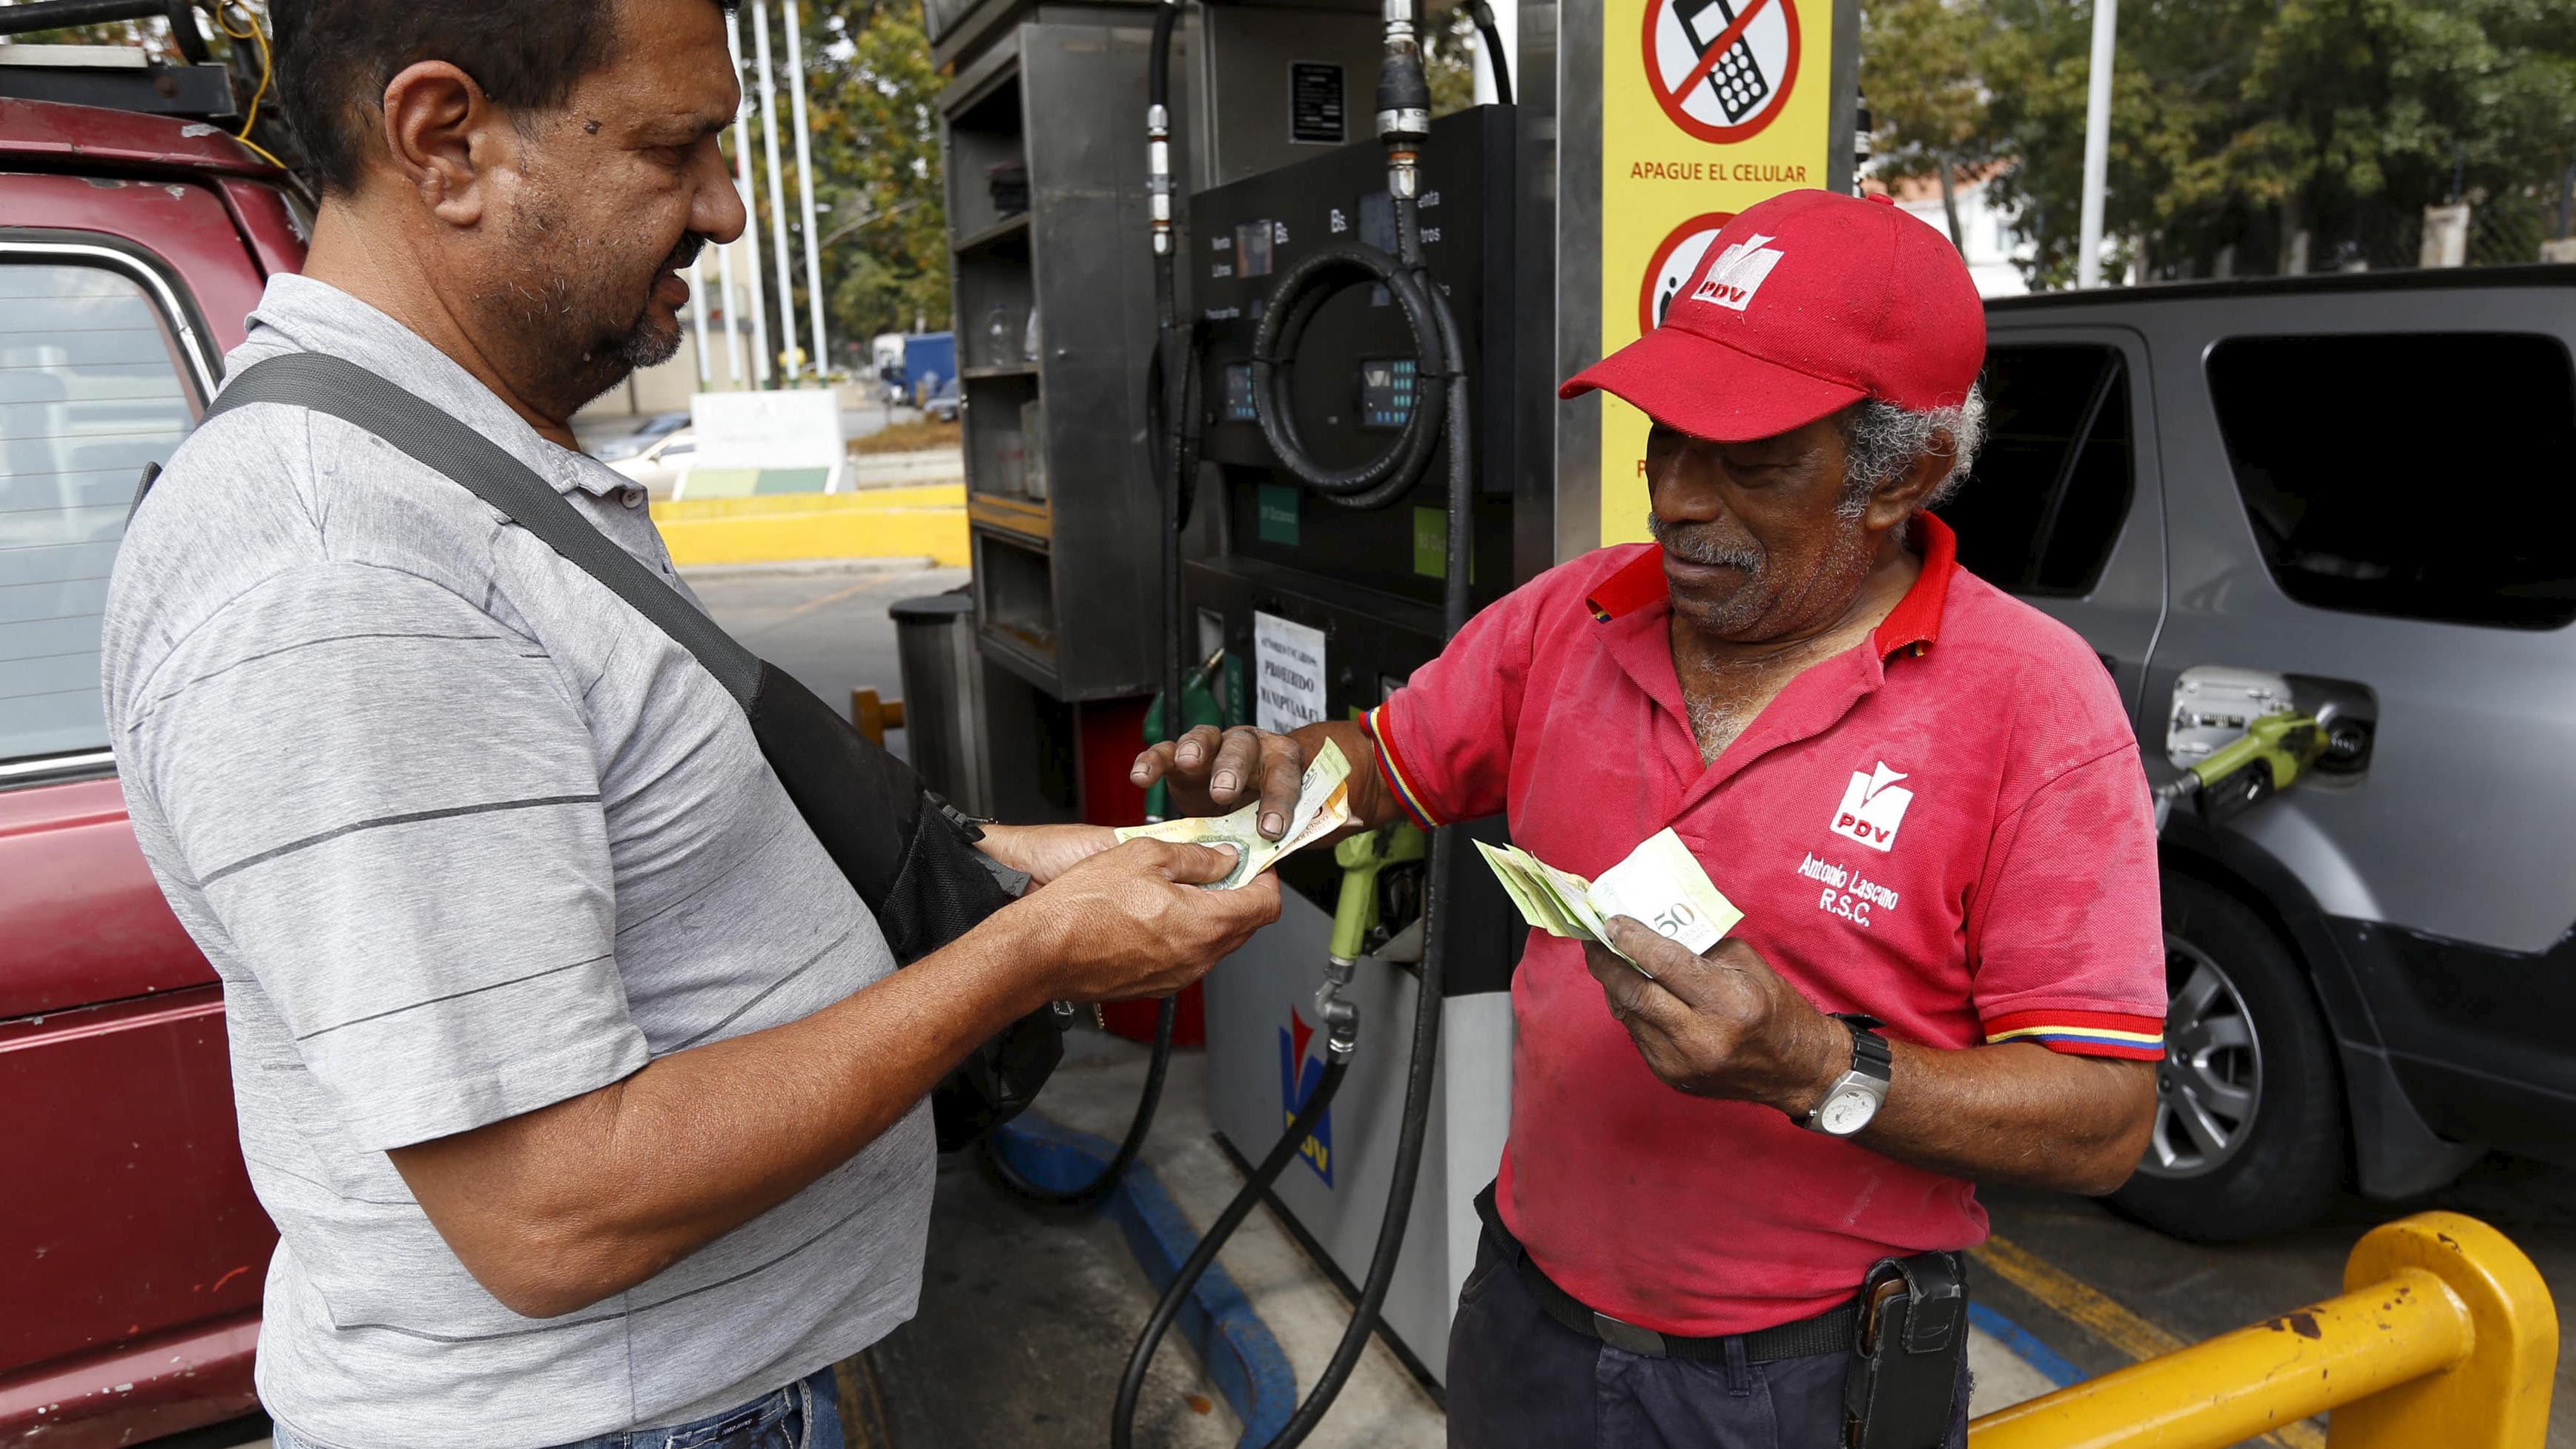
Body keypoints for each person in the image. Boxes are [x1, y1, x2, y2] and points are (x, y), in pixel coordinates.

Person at [98, 2, 1293, 1445]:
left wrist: (1031, 857)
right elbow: (552, 1210)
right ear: (445, 142)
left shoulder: (474, 451)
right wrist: (1030, 951)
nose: (727, 209)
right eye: (679, 149)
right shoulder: (339, 574)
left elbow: (655, 828)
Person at [1135, 188, 2166, 1448]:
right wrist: (1282, 766)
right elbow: (1387, 760)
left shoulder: (2034, 705)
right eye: (1663, 438)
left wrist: (1817, 1067)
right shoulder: (1568, 619)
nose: (1675, 497)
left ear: (1907, 471)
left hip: (1804, 1383)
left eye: (1750, 458)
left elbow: (2103, 1120)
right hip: (1525, 1322)